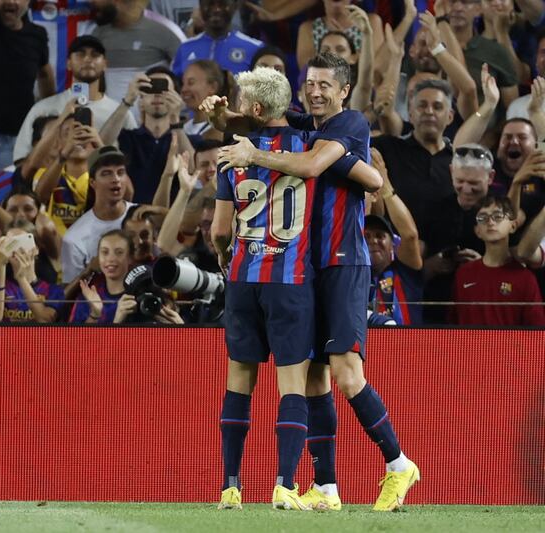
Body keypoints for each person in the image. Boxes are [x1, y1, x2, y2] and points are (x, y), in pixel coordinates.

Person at [210, 53, 417, 511]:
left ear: (344, 91)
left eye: (326, 84)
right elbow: (269, 116)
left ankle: (398, 464)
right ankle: (326, 486)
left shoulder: (348, 125)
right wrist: (222, 116)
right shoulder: (310, 129)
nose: (316, 91)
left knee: (346, 374)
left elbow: (308, 166)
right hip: (308, 267)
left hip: (344, 263)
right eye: (311, 83)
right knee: (315, 381)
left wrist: (252, 152)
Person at [211, 66, 327, 511]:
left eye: (242, 102)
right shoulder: (308, 148)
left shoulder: (232, 154)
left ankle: (230, 486)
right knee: (291, 384)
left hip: (242, 279)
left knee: (239, 381)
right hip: (291, 281)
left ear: (256, 109)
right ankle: (284, 484)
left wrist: (225, 254)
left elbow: (221, 229)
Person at [13, 35, 137, 163]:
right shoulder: (44, 109)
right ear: (68, 63)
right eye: (80, 54)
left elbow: (134, 160)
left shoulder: (121, 113)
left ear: (105, 64)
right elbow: (21, 159)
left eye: (95, 55)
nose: (88, 59)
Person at [0, 0, 55, 173]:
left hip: (20, 138)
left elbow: (44, 74)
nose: (11, 1)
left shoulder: (37, 35)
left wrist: (50, 115)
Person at [420, 143, 493, 323]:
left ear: (491, 177)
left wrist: (483, 267)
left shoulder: (500, 214)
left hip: (487, 311)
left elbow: (515, 267)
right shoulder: (433, 210)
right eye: (460, 181)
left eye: (474, 183)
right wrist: (431, 265)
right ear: (451, 171)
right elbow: (413, 270)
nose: (466, 189)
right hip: (438, 310)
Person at [372, 79, 456, 234]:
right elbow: (348, 141)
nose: (429, 111)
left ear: (450, 116)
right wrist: (373, 112)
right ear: (410, 114)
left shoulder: (458, 163)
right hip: (393, 250)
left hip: (444, 252)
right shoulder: (388, 148)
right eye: (422, 105)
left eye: (437, 107)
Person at [101, 66, 192, 203]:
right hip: (132, 217)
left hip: (173, 218)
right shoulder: (127, 138)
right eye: (150, 88)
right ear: (141, 99)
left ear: (177, 97)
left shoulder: (188, 140)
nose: (157, 94)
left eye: (164, 89)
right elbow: (101, 145)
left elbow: (192, 169)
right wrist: (127, 101)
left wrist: (176, 122)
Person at [453, 196, 545, 326]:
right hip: (470, 346)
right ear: (477, 231)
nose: (490, 222)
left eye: (498, 216)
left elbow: (536, 331)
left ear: (513, 226)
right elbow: (453, 325)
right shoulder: (463, 274)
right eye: (482, 218)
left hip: (511, 346)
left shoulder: (525, 278)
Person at [364, 153, 424, 325]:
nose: (373, 241)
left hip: (407, 347)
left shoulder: (405, 273)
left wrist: (385, 186)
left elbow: (410, 235)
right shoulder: (351, 272)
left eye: (380, 236)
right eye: (366, 236)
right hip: (363, 347)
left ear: (393, 245)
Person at [61, 146, 135, 282]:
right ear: (92, 182)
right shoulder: (74, 237)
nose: (116, 179)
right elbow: (68, 295)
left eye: (121, 172)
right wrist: (89, 270)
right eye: (107, 173)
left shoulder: (141, 217)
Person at [90, 0, 184, 101]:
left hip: (153, 114)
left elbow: (188, 77)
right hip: (113, 115)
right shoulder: (97, 34)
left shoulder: (166, 30)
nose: (92, 2)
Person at [0, 225, 65, 322]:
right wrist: (0, 265)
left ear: (36, 248)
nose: (17, 251)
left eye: (22, 243)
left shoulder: (54, 290)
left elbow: (45, 320)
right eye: (11, 244)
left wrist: (21, 279)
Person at [171, 0, 263, 78]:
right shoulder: (184, 48)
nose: (216, 9)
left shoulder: (256, 48)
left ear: (235, 6)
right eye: (210, 4)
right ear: (200, 6)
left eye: (222, 4)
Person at [69, 229, 133, 324]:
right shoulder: (88, 296)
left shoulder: (137, 296)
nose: (111, 259)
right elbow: (74, 338)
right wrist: (94, 314)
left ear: (130, 258)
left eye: (119, 252)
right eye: (105, 252)